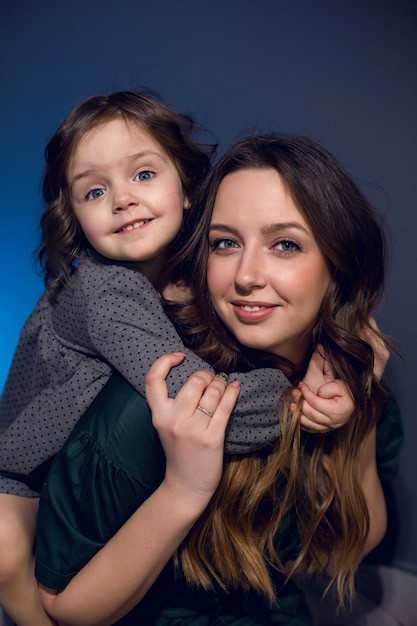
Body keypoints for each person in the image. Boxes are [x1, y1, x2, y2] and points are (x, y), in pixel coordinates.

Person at [0, 95, 349, 626]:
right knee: (10, 565)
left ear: (188, 189)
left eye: (142, 174)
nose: (122, 200)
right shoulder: (103, 293)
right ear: (74, 217)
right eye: (95, 191)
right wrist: (299, 394)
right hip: (18, 475)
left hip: (77, 470)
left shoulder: (192, 279)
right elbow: (196, 403)